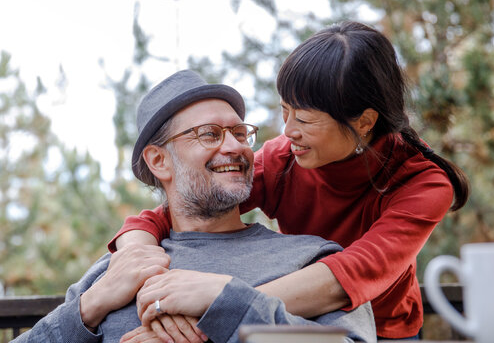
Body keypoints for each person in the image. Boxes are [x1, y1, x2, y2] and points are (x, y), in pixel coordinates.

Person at [110, 21, 470, 340]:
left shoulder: (423, 184)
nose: (288, 131)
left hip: (383, 327)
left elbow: (348, 277)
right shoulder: (284, 160)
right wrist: (140, 267)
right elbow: (178, 208)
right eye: (285, 111)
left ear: (364, 121)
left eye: (305, 119)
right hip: (290, 317)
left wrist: (215, 301)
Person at [14, 70, 376, 343]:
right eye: (210, 134)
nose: (235, 147)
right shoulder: (115, 273)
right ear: (158, 161)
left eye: (238, 133)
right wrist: (87, 309)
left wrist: (227, 304)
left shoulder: (310, 262)